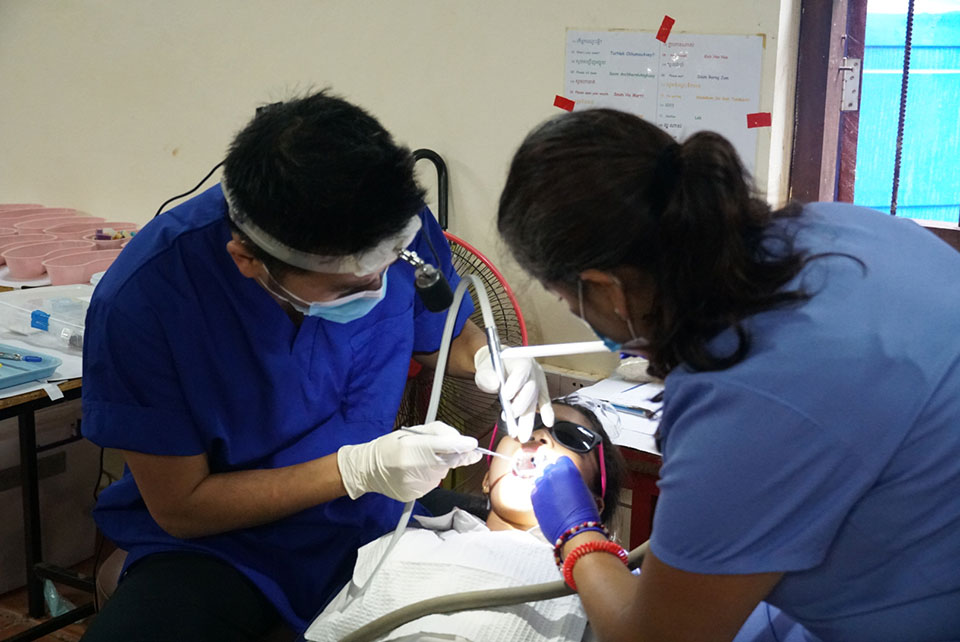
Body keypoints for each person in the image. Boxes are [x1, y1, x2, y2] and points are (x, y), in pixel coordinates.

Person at [80, 90, 550, 641]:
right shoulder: (147, 301)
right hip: (224, 548)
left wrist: (494, 360)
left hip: (378, 513)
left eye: (390, 263)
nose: (380, 284)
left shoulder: (389, 221)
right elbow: (183, 508)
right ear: (249, 260)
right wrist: (356, 470)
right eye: (350, 286)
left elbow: (442, 338)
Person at [496, 109, 960, 641]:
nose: (532, 447)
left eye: (568, 302)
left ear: (607, 287)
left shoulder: (748, 402)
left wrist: (578, 537)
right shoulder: (835, 227)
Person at [302, 393, 626, 642]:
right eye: (526, 424)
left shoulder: (606, 586)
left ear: (593, 505)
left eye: (571, 436)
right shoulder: (405, 543)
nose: (539, 436)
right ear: (486, 480)